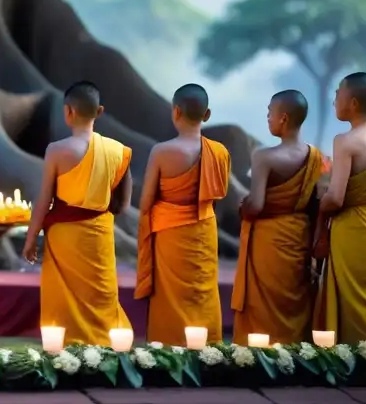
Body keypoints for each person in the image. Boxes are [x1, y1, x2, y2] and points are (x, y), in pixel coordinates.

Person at [22, 81, 132, 345]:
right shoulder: (118, 151)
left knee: (62, 297)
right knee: (101, 295)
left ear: (67, 111)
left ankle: (63, 348)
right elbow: (123, 205)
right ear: (100, 111)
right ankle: (104, 346)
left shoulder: (57, 150)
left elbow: (44, 201)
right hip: (99, 234)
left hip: (65, 237)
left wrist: (30, 239)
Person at [135, 83, 230, 346]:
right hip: (203, 232)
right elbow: (216, 197)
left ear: (175, 111)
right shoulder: (220, 152)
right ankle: (207, 347)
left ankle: (169, 346)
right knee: (202, 291)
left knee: (170, 293)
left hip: (169, 232)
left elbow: (145, 203)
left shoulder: (162, 152)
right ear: (207, 114)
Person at [231, 90, 323, 344]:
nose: (267, 118)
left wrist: (243, 207)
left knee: (263, 302)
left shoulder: (264, 156)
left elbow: (257, 204)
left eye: (270, 113)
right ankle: (294, 353)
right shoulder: (315, 157)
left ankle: (261, 355)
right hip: (297, 236)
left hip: (269, 239)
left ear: (283, 118)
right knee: (294, 298)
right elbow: (316, 204)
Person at [314, 72, 366, 345]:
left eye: (338, 94)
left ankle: (351, 359)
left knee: (353, 302)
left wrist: (319, 203)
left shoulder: (346, 141)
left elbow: (336, 198)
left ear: (351, 102)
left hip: (353, 231)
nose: (334, 99)